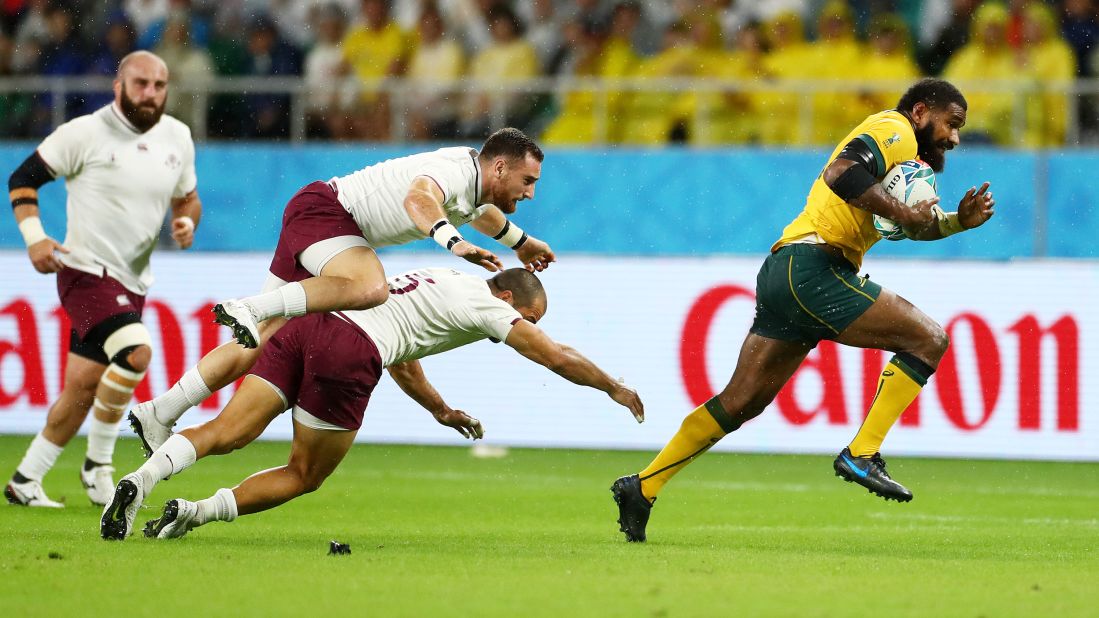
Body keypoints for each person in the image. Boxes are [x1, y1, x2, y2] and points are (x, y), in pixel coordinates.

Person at [611, 78, 996, 542]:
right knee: (928, 338)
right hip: (813, 267)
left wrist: (955, 222)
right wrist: (900, 209)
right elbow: (842, 173)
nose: (954, 138)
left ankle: (643, 487)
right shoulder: (894, 128)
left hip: (785, 269)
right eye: (951, 124)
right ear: (919, 113)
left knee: (739, 402)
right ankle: (862, 453)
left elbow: (907, 224)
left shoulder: (908, 163)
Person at [100, 267, 643, 540]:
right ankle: (195, 514)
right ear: (508, 299)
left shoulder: (442, 278)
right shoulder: (488, 306)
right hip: (350, 351)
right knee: (305, 473)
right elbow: (556, 356)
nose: (525, 327)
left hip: (315, 323)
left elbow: (403, 355)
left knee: (226, 431)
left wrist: (440, 410)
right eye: (527, 317)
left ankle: (142, 481)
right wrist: (612, 386)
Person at [127, 127, 556, 460]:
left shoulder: (473, 182)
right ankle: (247, 307)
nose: (532, 191)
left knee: (258, 340)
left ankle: (160, 411)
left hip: (321, 222)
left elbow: (479, 212)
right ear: (499, 167)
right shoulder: (453, 172)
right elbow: (419, 199)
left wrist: (520, 242)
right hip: (327, 213)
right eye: (528, 180)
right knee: (371, 288)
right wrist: (453, 242)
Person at [4, 51, 202, 508]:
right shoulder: (85, 133)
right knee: (136, 353)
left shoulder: (178, 137)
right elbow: (23, 178)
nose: (150, 93)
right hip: (85, 272)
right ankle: (99, 467)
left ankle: (25, 480)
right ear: (119, 86)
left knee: (81, 391)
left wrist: (187, 222)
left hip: (133, 282)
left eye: (159, 84)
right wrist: (35, 238)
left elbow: (188, 198)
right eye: (140, 83)